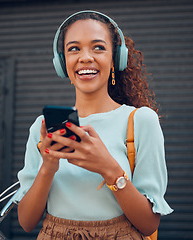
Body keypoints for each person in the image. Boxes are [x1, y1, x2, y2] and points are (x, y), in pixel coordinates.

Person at [15, 10, 173, 239]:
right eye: (73, 49)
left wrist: (108, 168)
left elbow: (149, 224)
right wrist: (48, 166)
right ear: (62, 63)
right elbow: (26, 222)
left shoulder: (140, 121)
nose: (85, 57)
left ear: (115, 59)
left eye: (98, 47)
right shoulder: (42, 127)